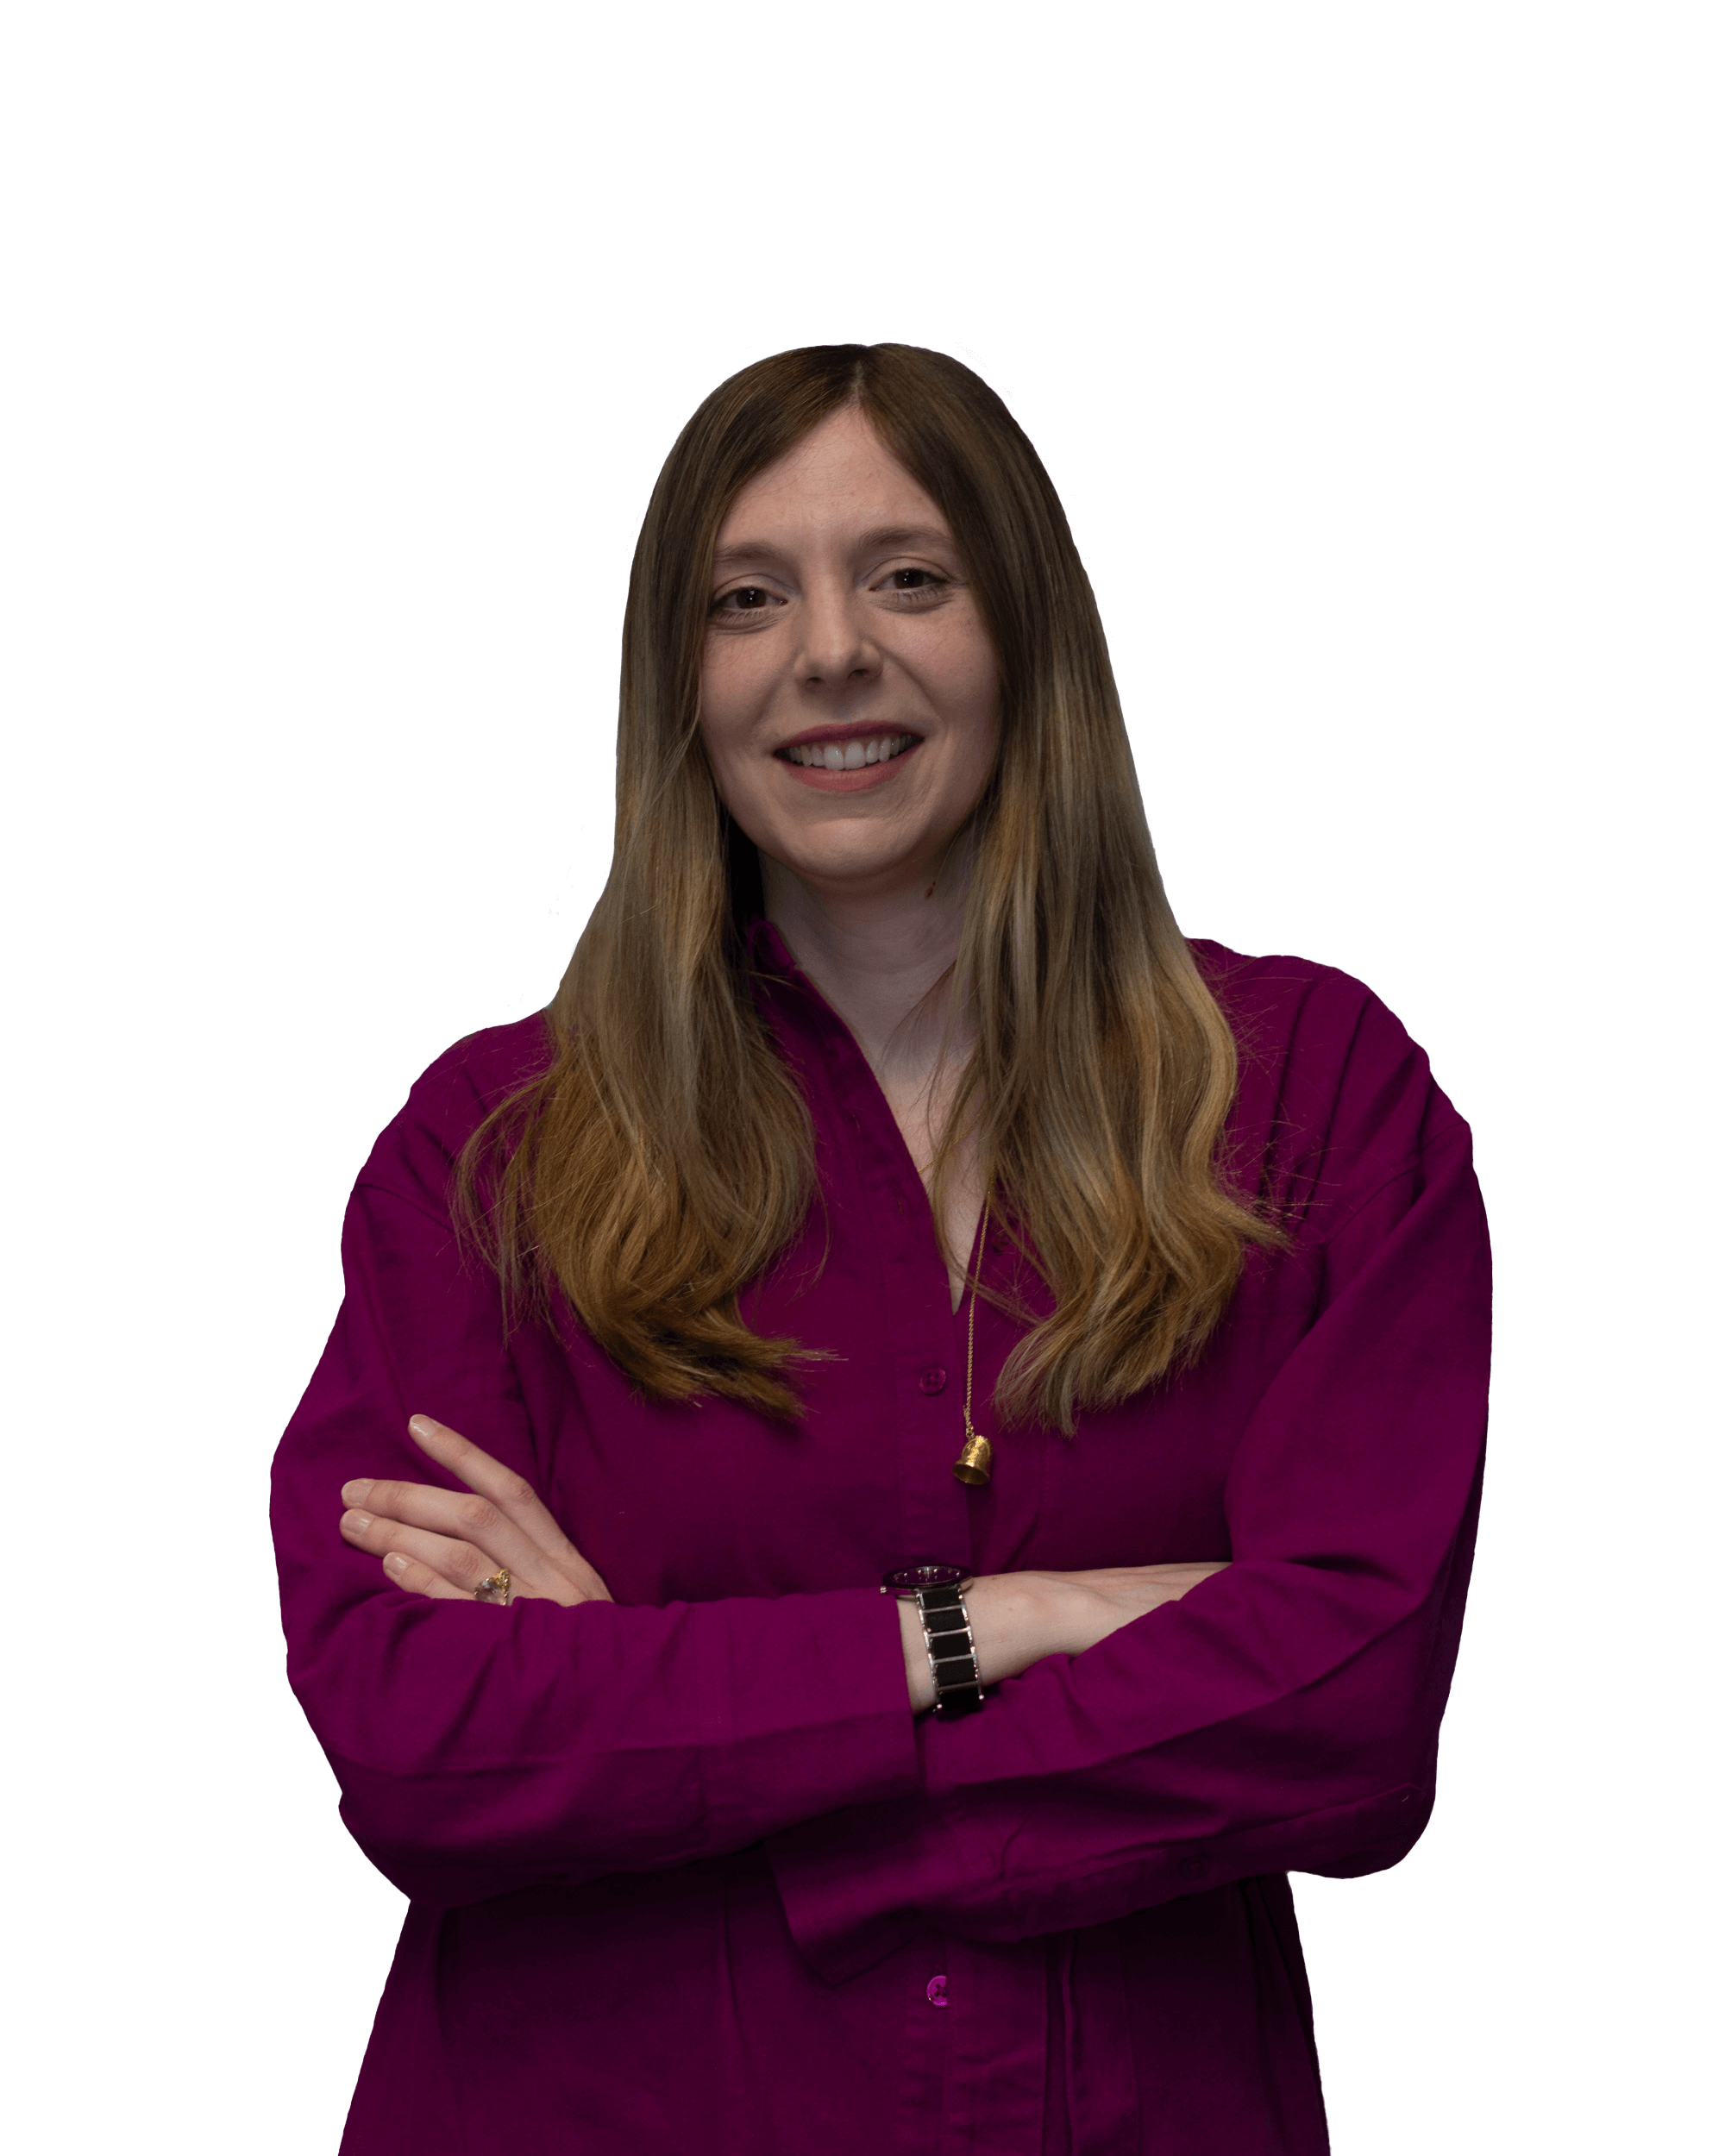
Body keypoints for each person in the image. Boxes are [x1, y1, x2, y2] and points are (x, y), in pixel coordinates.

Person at [271, 342, 1491, 2156]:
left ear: (1026, 634)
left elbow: (1353, 1707)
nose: (829, 650)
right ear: (678, 682)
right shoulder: (490, 1144)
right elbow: (413, 1736)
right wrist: (1000, 1627)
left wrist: (669, 1717)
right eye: (744, 599)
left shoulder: (1315, 1093)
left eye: (908, 575)